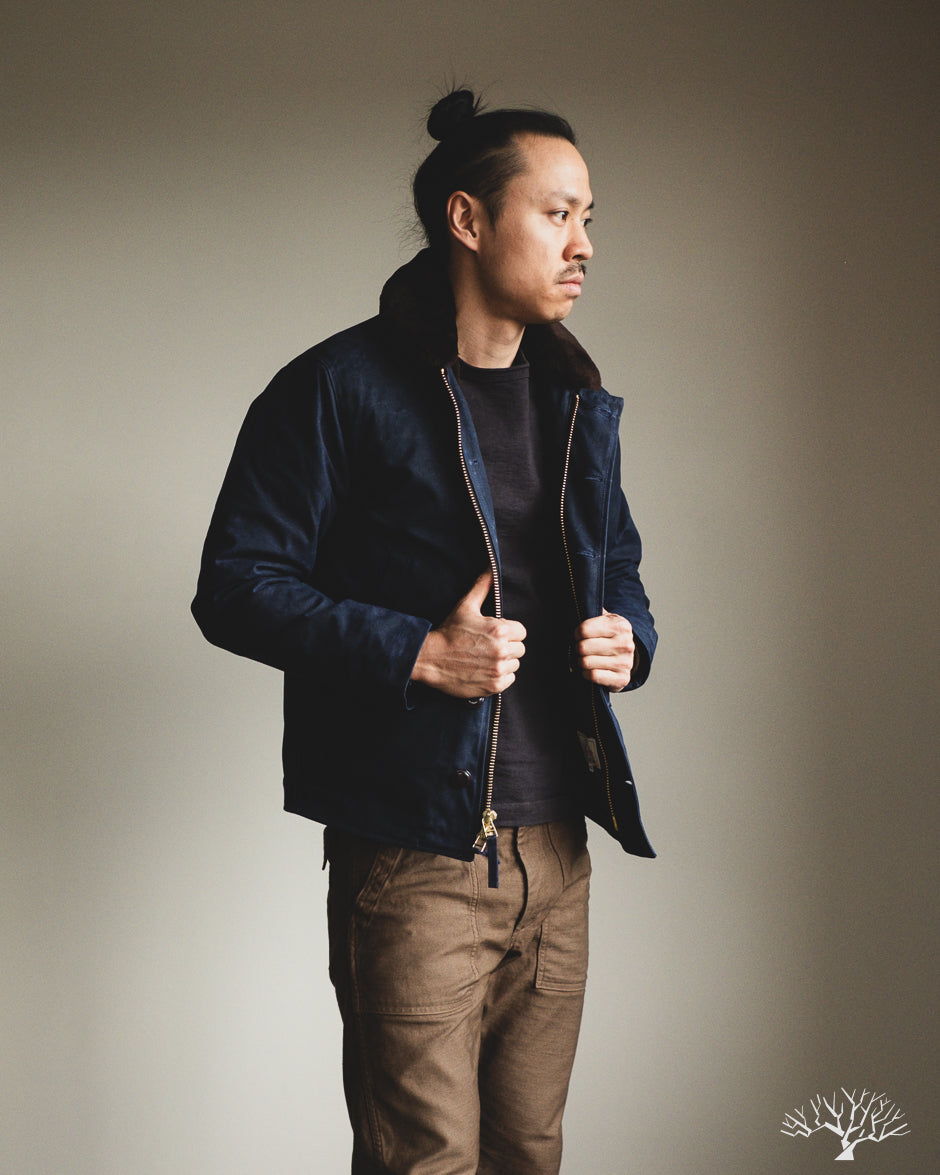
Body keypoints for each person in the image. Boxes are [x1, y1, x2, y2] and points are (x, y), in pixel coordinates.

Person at [192, 87, 657, 1175]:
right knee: (425, 1162)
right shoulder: (336, 388)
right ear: (467, 219)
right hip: (415, 854)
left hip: (559, 848)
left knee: (528, 1153)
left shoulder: (571, 397)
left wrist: (628, 634)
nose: (583, 245)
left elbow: (620, 567)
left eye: (588, 218)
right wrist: (417, 649)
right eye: (557, 214)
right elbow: (235, 584)